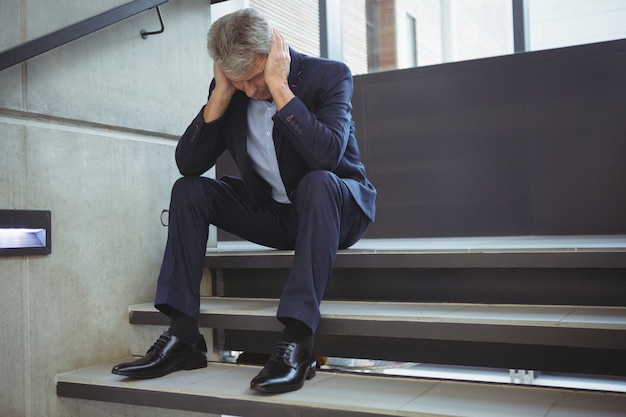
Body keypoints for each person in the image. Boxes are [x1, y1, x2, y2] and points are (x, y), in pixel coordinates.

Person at [112, 7, 376, 393]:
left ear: (273, 53)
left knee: (318, 181)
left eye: (255, 78)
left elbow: (327, 157)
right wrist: (221, 94)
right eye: (240, 82)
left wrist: (280, 88)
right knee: (189, 191)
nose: (251, 91)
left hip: (337, 209)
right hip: (279, 213)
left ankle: (297, 341)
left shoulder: (330, 76)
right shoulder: (232, 90)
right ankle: (183, 335)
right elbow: (188, 163)